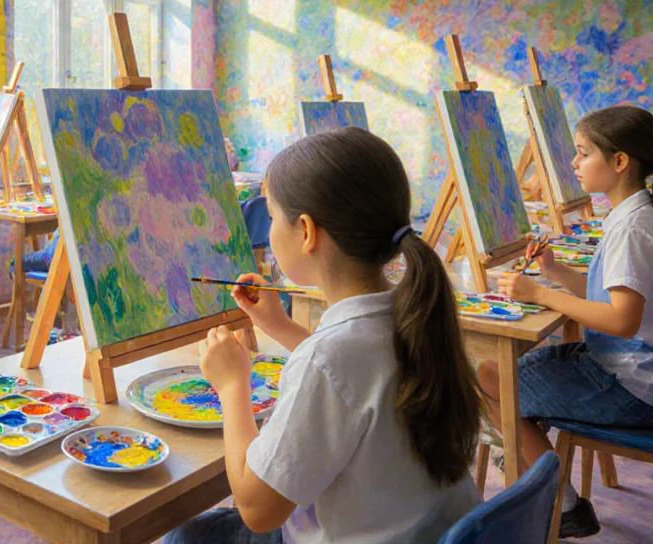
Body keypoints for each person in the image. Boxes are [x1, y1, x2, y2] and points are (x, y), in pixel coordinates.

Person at [167, 127, 481, 543]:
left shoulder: (327, 358)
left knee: (188, 536)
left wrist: (231, 385)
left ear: (306, 232)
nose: (270, 229)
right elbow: (356, 379)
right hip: (420, 531)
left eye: (272, 216)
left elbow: (257, 510)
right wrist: (279, 327)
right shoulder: (413, 312)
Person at [489, 104, 653, 537]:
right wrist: (554, 270)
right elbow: (608, 299)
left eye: (583, 153)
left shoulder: (635, 229)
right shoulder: (635, 216)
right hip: (639, 374)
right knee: (495, 374)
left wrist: (538, 294)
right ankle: (532, 465)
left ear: (620, 161)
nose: (574, 164)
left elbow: (622, 321)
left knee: (491, 385)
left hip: (638, 389)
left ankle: (565, 504)